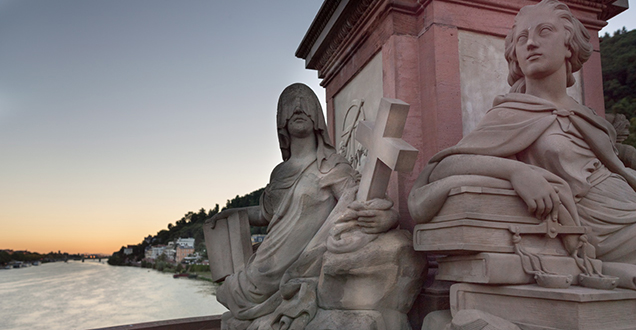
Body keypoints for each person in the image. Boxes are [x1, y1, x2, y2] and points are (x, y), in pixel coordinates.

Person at [408, 0, 636, 288]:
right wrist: (517, 172)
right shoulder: (510, 113)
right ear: (514, 53)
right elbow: (445, 166)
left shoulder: (589, 117)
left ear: (569, 45)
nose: (531, 44)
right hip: (598, 226)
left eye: (544, 32)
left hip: (626, 205)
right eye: (522, 39)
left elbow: (616, 163)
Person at [209, 83, 398, 329]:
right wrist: (232, 213)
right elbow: (266, 214)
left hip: (303, 262)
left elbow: (359, 203)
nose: (298, 108)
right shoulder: (279, 173)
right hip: (267, 262)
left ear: (317, 117)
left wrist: (388, 218)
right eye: (290, 106)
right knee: (232, 291)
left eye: (305, 105)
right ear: (281, 123)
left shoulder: (332, 166)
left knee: (237, 293)